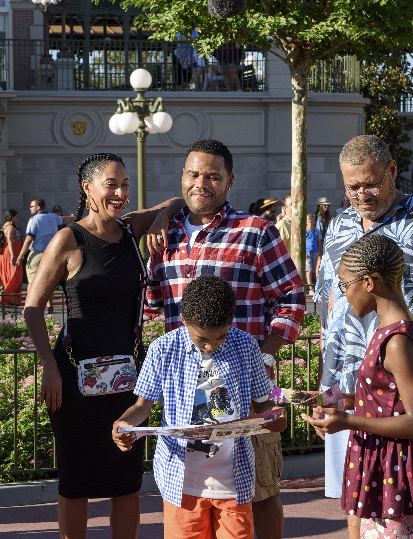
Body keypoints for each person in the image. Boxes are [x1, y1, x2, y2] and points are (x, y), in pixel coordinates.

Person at [146, 139, 305, 539]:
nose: (202, 183)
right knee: (189, 500)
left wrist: (264, 356)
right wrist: (163, 212)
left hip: (244, 386)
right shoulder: (163, 238)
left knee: (261, 492)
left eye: (213, 176)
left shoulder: (256, 232)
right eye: (194, 174)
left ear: (229, 181)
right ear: (182, 178)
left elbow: (292, 298)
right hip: (184, 393)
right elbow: (152, 303)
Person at [314, 135, 413, 539]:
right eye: (352, 187)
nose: (362, 195)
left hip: (408, 397)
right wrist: (325, 389)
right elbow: (330, 306)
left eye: (371, 184)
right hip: (347, 390)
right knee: (355, 496)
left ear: (392, 172)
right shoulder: (337, 227)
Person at [22, 153, 184, 539]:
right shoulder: (68, 238)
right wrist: (48, 366)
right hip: (74, 381)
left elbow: (179, 202)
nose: (121, 192)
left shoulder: (130, 229)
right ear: (88, 188)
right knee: (75, 482)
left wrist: (162, 217)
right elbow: (32, 308)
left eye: (125, 184)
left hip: (128, 380)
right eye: (111, 184)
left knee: (126, 481)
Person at [305, 234, 413, 539]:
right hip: (387, 463)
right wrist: (340, 400)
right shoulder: (392, 329)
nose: (343, 294)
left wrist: (346, 421)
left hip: (394, 470)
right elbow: (386, 397)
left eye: (345, 285)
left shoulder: (397, 341)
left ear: (370, 282)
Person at [113, 275, 286, 539]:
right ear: (183, 319)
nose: (211, 346)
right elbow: (141, 406)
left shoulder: (246, 346)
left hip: (234, 480)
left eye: (220, 337)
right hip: (181, 482)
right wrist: (122, 424)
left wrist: (273, 417)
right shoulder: (163, 349)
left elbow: (264, 401)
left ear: (231, 321)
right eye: (202, 339)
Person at [14, 197, 65, 286]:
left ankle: (30, 300)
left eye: (31, 206)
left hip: (37, 255)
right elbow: (64, 219)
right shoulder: (53, 217)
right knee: (49, 284)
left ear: (37, 207)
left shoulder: (34, 219)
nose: (30, 208)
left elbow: (29, 238)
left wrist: (21, 255)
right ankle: (49, 301)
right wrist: (74, 218)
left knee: (33, 283)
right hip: (51, 255)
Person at [0, 209, 22, 306]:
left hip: (6, 253)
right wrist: (13, 255)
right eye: (16, 217)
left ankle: (8, 297)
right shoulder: (10, 227)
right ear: (11, 217)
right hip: (9, 253)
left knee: (9, 275)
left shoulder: (5, 226)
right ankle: (8, 296)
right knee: (15, 274)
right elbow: (10, 241)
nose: (17, 219)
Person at [305, 213, 319, 287]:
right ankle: (310, 287)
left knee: (315, 269)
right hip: (308, 252)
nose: (310, 223)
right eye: (308, 222)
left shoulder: (316, 230)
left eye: (312, 222)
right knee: (309, 270)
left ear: (314, 222)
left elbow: (319, 242)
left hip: (315, 251)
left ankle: (316, 286)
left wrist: (320, 252)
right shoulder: (305, 231)